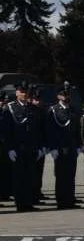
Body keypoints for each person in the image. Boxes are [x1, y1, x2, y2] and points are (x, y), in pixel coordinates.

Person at [4, 81, 44, 212]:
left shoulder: (33, 109)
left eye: (26, 92)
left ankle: (28, 203)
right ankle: (20, 204)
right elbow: (6, 130)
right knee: (19, 178)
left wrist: (40, 147)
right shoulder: (10, 108)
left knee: (30, 177)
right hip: (17, 149)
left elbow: (38, 130)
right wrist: (9, 148)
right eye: (21, 91)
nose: (24, 94)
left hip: (31, 148)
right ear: (16, 93)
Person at [46, 84, 82, 209]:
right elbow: (50, 131)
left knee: (71, 175)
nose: (65, 97)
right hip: (60, 148)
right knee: (61, 175)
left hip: (72, 147)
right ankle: (61, 201)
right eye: (63, 95)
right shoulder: (53, 110)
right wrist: (53, 147)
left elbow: (77, 129)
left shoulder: (73, 110)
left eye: (67, 95)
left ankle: (70, 200)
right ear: (58, 96)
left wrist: (79, 145)